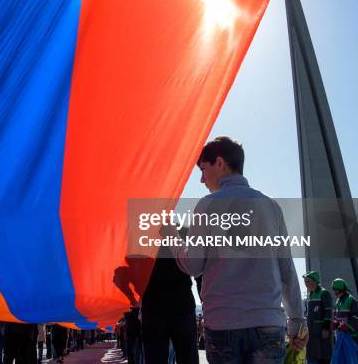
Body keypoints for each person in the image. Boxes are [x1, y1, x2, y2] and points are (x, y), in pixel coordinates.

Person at [174, 137, 307, 362]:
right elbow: (286, 270)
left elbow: (193, 266)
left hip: (224, 323)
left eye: (203, 169)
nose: (201, 179)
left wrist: (172, 237)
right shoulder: (271, 207)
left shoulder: (207, 205)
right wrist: (296, 321)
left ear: (219, 162)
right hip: (268, 322)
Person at [141, 246, 200, 364]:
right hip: (181, 304)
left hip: (154, 305)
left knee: (155, 357)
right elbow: (196, 267)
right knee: (188, 357)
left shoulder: (143, 237)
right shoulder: (182, 232)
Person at [331, 278, 358, 364]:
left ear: (342, 290)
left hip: (354, 337)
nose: (335, 293)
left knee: (357, 358)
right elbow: (336, 317)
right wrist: (335, 323)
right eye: (334, 290)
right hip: (341, 336)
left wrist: (348, 326)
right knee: (343, 358)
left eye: (336, 290)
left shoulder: (351, 300)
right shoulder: (337, 302)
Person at [303, 271, 333, 364]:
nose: (306, 284)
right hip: (311, 330)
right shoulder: (309, 295)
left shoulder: (324, 293)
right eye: (305, 282)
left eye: (308, 281)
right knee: (312, 353)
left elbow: (329, 311)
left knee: (323, 353)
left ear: (315, 281)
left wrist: (326, 328)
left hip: (321, 330)